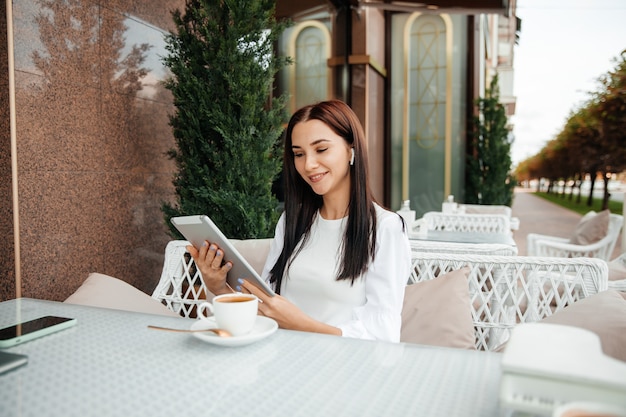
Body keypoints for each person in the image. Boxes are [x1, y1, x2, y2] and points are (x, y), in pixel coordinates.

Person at [188, 100, 412, 342]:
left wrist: (300, 324)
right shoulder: (292, 221)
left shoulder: (385, 228)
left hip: (344, 369)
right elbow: (266, 304)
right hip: (279, 358)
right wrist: (219, 287)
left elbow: (384, 335)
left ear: (351, 149)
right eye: (299, 154)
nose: (308, 165)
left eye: (321, 149)